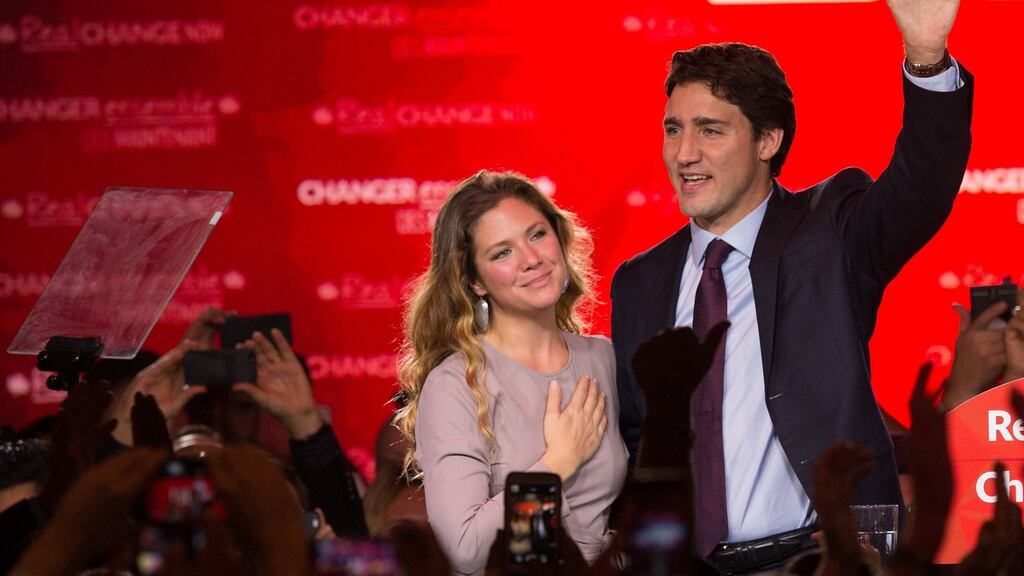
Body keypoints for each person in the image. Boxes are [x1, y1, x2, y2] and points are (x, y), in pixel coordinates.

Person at [610, 0, 972, 572]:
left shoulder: (832, 232)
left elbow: (921, 187)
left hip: (822, 557)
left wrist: (926, 59)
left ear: (768, 140)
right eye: (674, 129)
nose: (684, 154)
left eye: (710, 131)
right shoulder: (639, 281)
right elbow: (638, 440)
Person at [394, 170, 627, 575]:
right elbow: (465, 550)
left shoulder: (603, 358)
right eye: (502, 253)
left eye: (537, 234)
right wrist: (557, 464)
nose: (532, 259)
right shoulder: (456, 385)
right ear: (474, 281)